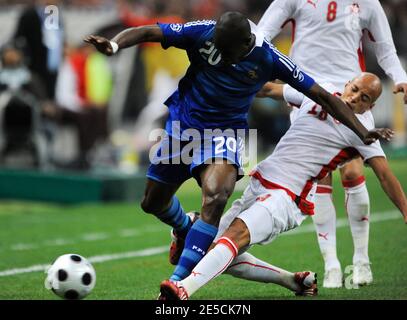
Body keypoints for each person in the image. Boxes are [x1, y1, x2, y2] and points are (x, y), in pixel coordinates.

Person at [84, 11, 387, 284]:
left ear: (246, 44)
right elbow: (152, 31)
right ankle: (182, 225)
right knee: (152, 203)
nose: (222, 55)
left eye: (228, 52)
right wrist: (114, 45)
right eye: (219, 49)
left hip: (224, 132)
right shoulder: (204, 31)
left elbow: (322, 95)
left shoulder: (270, 58)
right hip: (183, 125)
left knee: (216, 196)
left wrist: (363, 131)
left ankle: (178, 281)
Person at [158, 73, 405, 300]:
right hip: (259, 183)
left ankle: (183, 289)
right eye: (354, 89)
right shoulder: (321, 93)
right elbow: (267, 90)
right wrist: (227, 81)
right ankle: (294, 281)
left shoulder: (363, 128)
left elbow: (384, 175)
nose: (354, 99)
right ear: (347, 83)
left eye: (364, 99)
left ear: (370, 106)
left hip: (287, 197)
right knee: (208, 250)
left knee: (235, 235)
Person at [257, 0, 407, 287]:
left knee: (352, 172)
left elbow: (385, 47)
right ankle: (332, 264)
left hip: (354, 92)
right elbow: (263, 32)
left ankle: (361, 261)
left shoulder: (368, 4)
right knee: (320, 177)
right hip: (308, 89)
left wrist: (400, 78)